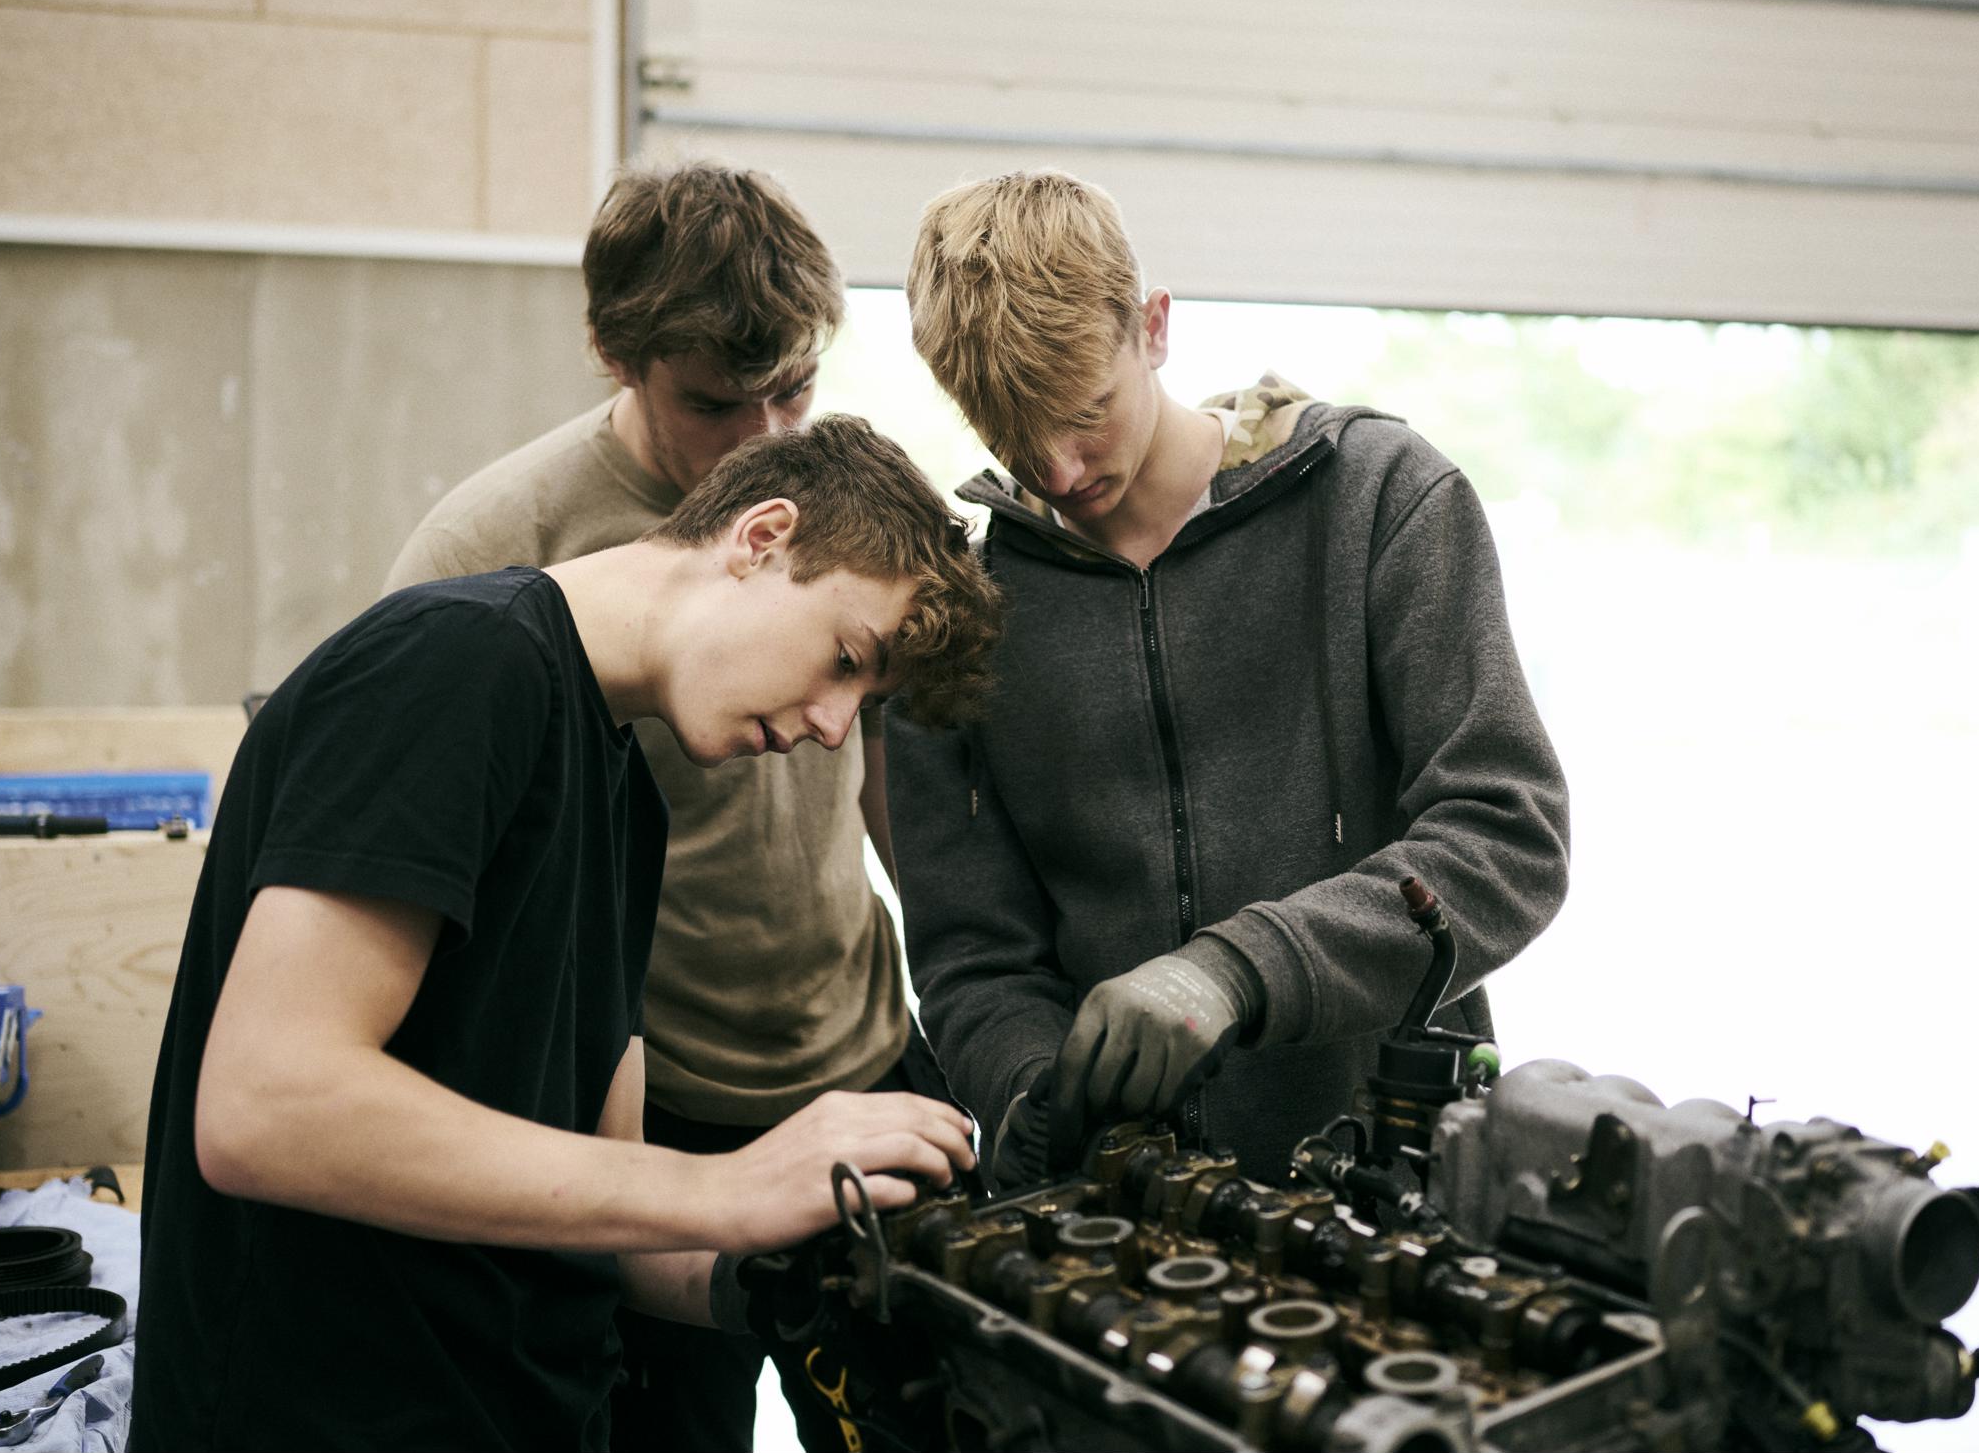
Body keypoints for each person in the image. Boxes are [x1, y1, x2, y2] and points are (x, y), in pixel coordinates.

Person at [132, 416, 999, 1453]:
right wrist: (721, 1185)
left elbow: (600, 1203)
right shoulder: (454, 662)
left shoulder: (628, 800)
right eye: (846, 658)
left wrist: (783, 1286)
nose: (832, 728)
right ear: (762, 535)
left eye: (865, 698)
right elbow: (264, 1106)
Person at [383, 163, 934, 1449]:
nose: (760, 442)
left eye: (792, 390)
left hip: (858, 1055)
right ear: (612, 356)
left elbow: (899, 788)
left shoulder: (839, 511)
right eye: (711, 402)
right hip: (646, 1110)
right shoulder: (492, 551)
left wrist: (964, 996)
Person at [886, 169, 1570, 1190]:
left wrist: (1237, 969)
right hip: (1114, 1225)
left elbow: (1503, 839)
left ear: (1153, 326)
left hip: (1389, 1181)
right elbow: (971, 956)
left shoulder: (1379, 503)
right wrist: (1038, 1094)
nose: (1061, 472)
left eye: (1085, 411)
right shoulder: (959, 619)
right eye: (1008, 437)